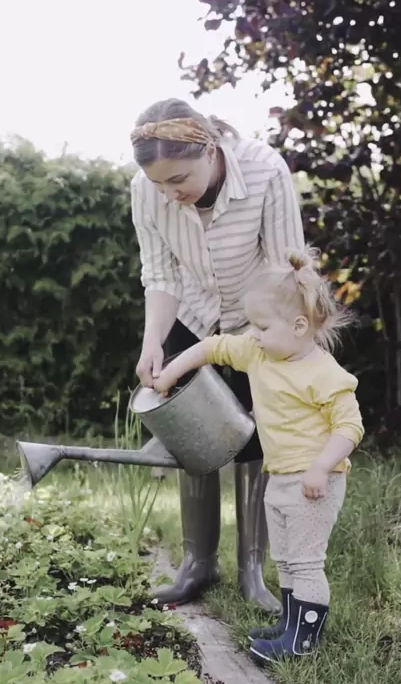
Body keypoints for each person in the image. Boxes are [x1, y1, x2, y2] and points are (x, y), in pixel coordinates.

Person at [130, 97, 305, 612]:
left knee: (255, 439)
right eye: (160, 184)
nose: (170, 193)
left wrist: (274, 343)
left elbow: (287, 269)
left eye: (179, 179)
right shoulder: (145, 190)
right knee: (191, 434)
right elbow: (160, 274)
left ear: (209, 151)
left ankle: (252, 570)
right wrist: (153, 341)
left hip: (260, 321)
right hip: (192, 315)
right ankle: (197, 564)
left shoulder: (265, 171)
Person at [153, 246, 364, 661]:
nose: (254, 334)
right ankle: (290, 624)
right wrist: (172, 370)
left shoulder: (326, 375)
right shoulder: (259, 351)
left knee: (305, 562)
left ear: (299, 326)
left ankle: (303, 642)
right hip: (279, 476)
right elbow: (212, 347)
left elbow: (349, 427)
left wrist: (321, 467)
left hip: (314, 481)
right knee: (284, 559)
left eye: (262, 326)